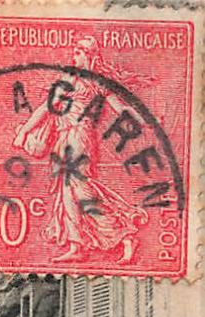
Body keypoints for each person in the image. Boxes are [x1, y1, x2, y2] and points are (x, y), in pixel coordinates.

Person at [11, 34, 146, 265]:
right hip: (63, 139)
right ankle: (77, 246)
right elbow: (45, 108)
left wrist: (141, 119)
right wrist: (24, 130)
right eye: (75, 50)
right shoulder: (65, 80)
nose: (76, 54)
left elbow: (118, 107)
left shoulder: (96, 81)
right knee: (67, 193)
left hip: (80, 136)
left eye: (81, 50)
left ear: (91, 55)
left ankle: (125, 235)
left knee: (82, 190)